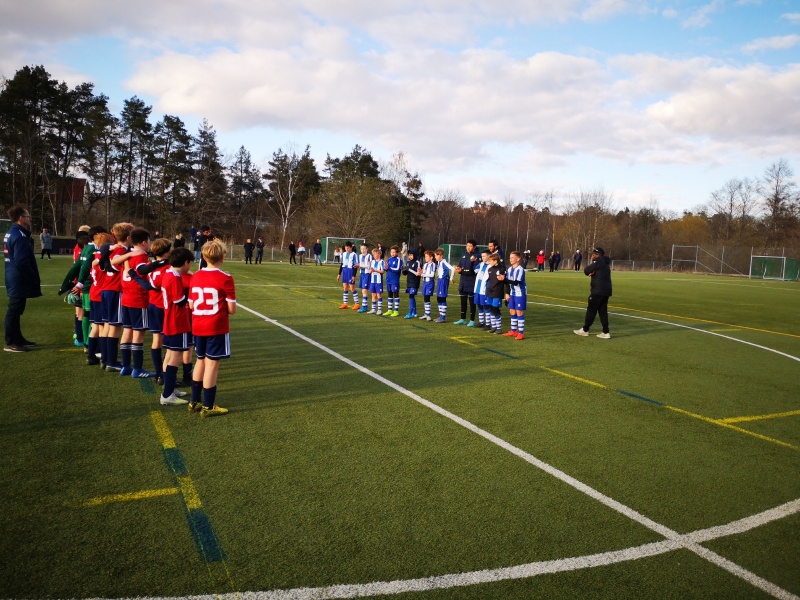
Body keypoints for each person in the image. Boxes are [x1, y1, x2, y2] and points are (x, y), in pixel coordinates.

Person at [189, 239, 237, 417]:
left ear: (204, 256)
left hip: (198, 325)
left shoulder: (195, 276)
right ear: (222, 258)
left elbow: (191, 305)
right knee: (212, 365)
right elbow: (232, 310)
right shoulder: (225, 278)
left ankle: (194, 401)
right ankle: (208, 405)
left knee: (200, 360)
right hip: (215, 326)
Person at [112, 227, 155, 378]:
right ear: (144, 242)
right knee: (138, 334)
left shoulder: (127, 256)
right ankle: (138, 368)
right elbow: (143, 274)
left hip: (126, 298)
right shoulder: (141, 257)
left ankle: (126, 366)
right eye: (149, 241)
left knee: (127, 331)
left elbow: (113, 262)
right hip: (139, 299)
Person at [159, 247, 194, 405]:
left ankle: (170, 388)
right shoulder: (174, 278)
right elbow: (179, 301)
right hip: (177, 322)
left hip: (171, 320)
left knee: (170, 356)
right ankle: (167, 395)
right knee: (175, 357)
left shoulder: (170, 273)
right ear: (186, 263)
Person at [4, 205, 41, 352]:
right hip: (18, 278)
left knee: (17, 309)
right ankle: (11, 342)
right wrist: (33, 277)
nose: (30, 218)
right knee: (14, 310)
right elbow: (22, 262)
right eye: (28, 216)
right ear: (21, 218)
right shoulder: (19, 236)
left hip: (14, 276)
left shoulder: (13, 232)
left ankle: (18, 338)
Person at [574, 247, 612, 339]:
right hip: (606, 291)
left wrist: (592, 270)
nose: (592, 256)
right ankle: (606, 332)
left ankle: (585, 330)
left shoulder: (598, 262)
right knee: (603, 311)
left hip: (597, 291)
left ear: (598, 255)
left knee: (591, 310)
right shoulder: (606, 264)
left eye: (594, 254)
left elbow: (586, 270)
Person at [454, 239, 480, 326]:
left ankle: (472, 320)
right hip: (463, 281)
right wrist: (459, 270)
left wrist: (466, 269)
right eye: (467, 245)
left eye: (470, 246)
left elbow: (475, 271)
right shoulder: (464, 255)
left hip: (472, 281)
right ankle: (463, 318)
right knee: (463, 301)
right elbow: (460, 266)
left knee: (472, 302)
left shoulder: (477, 256)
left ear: (474, 247)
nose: (468, 247)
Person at [503, 251, 527, 340]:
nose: (510, 259)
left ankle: (521, 333)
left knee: (519, 312)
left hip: (520, 294)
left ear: (518, 259)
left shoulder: (520, 269)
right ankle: (514, 331)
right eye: (510, 257)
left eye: (513, 257)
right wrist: (507, 293)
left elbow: (516, 282)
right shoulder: (509, 269)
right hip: (512, 294)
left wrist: (504, 279)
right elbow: (507, 283)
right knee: (512, 311)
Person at [485, 253, 506, 333]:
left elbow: (503, 280)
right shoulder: (489, 269)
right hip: (490, 292)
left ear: (495, 261)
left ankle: (499, 328)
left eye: (491, 261)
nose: (489, 262)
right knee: (490, 309)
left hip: (497, 292)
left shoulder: (501, 269)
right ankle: (493, 327)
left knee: (495, 309)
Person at [433, 248, 456, 322]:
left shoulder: (444, 262)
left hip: (443, 281)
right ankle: (440, 316)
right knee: (439, 298)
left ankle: (443, 317)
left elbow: (452, 269)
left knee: (442, 298)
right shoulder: (439, 262)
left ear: (441, 256)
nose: (435, 257)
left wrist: (451, 278)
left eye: (436, 255)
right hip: (440, 281)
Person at [337, 241, 359, 309]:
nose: (347, 249)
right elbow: (342, 264)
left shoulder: (354, 255)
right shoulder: (343, 254)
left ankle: (357, 304)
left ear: (351, 247)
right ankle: (345, 303)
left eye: (348, 248)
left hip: (350, 271)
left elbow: (355, 266)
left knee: (352, 288)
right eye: (346, 248)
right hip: (345, 271)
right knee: (345, 288)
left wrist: (353, 275)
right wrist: (339, 274)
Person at [473, 250, 491, 328]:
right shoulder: (481, 264)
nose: (482, 257)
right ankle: (481, 322)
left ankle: (488, 324)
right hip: (477, 288)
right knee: (479, 305)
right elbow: (475, 270)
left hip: (485, 290)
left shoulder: (491, 266)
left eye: (484, 256)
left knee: (486, 306)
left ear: (489, 256)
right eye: (482, 256)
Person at [402, 249, 421, 319]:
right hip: (409, 282)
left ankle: (410, 313)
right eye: (409, 255)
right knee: (412, 297)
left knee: (411, 296)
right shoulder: (408, 262)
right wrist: (404, 271)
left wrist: (409, 269)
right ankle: (414, 312)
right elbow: (406, 272)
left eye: (411, 255)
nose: (410, 256)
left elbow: (418, 273)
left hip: (415, 282)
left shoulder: (417, 262)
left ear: (414, 255)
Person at [385, 245, 403, 317]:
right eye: (391, 252)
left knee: (396, 295)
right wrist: (386, 268)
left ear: (397, 253)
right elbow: (387, 269)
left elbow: (398, 270)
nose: (392, 253)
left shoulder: (399, 260)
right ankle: (389, 310)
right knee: (389, 295)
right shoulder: (389, 259)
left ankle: (396, 311)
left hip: (395, 280)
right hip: (388, 279)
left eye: (394, 252)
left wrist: (389, 268)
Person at [367, 248, 385, 315]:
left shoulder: (382, 262)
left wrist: (375, 270)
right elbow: (369, 270)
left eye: (377, 254)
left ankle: (379, 309)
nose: (376, 255)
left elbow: (383, 271)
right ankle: (373, 309)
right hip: (372, 281)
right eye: (374, 254)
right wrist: (371, 271)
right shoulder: (372, 262)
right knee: (373, 295)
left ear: (380, 254)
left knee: (379, 295)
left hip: (378, 281)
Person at [419, 250, 436, 321]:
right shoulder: (425, 265)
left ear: (431, 257)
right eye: (425, 256)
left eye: (426, 256)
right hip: (425, 283)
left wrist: (423, 274)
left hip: (430, 283)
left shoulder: (433, 264)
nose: (425, 258)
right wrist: (420, 272)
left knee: (427, 297)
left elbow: (432, 275)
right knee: (425, 298)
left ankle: (428, 315)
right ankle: (426, 314)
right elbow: (423, 273)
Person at [356, 243, 371, 312]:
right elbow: (359, 264)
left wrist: (360, 265)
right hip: (362, 274)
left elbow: (369, 266)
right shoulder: (359, 256)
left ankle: (364, 306)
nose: (363, 250)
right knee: (363, 290)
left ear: (367, 249)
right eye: (361, 249)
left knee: (365, 290)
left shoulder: (369, 256)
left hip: (367, 274)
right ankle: (365, 305)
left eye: (364, 249)